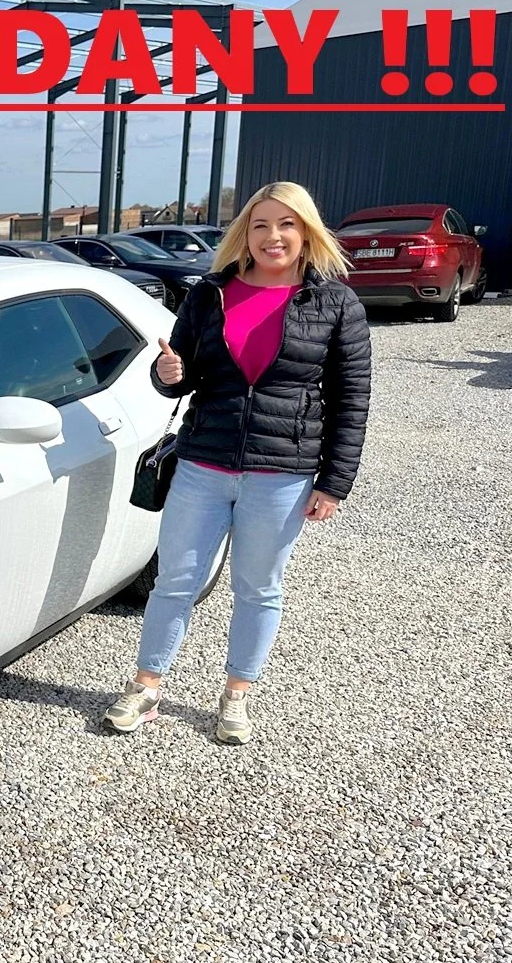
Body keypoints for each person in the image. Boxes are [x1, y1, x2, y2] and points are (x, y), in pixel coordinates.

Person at [101, 181, 371, 744]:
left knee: (258, 587)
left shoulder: (335, 302)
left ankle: (236, 694)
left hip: (284, 473)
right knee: (175, 579)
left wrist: (335, 483)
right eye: (262, 224)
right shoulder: (209, 295)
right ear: (244, 233)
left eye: (287, 224)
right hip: (204, 464)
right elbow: (182, 375)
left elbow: (351, 399)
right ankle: (147, 687)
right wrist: (167, 376)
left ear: (307, 231)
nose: (274, 236)